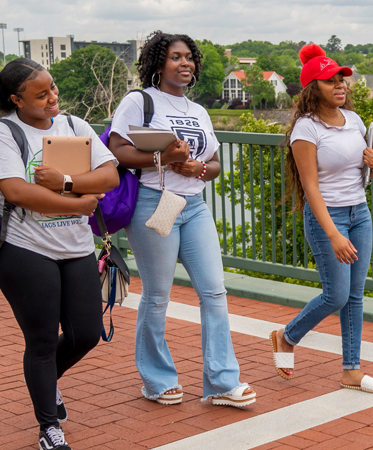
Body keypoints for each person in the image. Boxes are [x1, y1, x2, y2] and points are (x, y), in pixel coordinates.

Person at [0, 58, 121, 450]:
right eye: (40, 95)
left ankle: (45, 382)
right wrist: (80, 202)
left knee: (85, 334)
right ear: (16, 99)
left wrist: (68, 182)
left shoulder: (74, 126)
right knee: (41, 341)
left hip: (76, 247)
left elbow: (110, 175)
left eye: (53, 89)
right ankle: (48, 427)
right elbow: (17, 191)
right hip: (24, 249)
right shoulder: (2, 134)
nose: (52, 98)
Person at [107, 31, 255, 407]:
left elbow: (217, 163)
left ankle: (222, 382)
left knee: (214, 291)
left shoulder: (199, 110)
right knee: (157, 296)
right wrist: (168, 159)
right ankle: (157, 381)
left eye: (189, 57)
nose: (185, 63)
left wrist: (200, 169)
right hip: (153, 203)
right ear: (159, 63)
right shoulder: (140, 101)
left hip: (193, 206)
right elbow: (119, 151)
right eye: (176, 57)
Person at [268, 44, 373, 394]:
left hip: (359, 213)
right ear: (312, 88)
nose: (341, 86)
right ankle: (286, 337)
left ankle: (351, 370)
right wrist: (333, 234)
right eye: (330, 81)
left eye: (342, 79)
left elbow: (364, 173)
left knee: (355, 295)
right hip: (327, 218)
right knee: (336, 295)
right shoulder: (306, 129)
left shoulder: (354, 121)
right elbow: (310, 187)